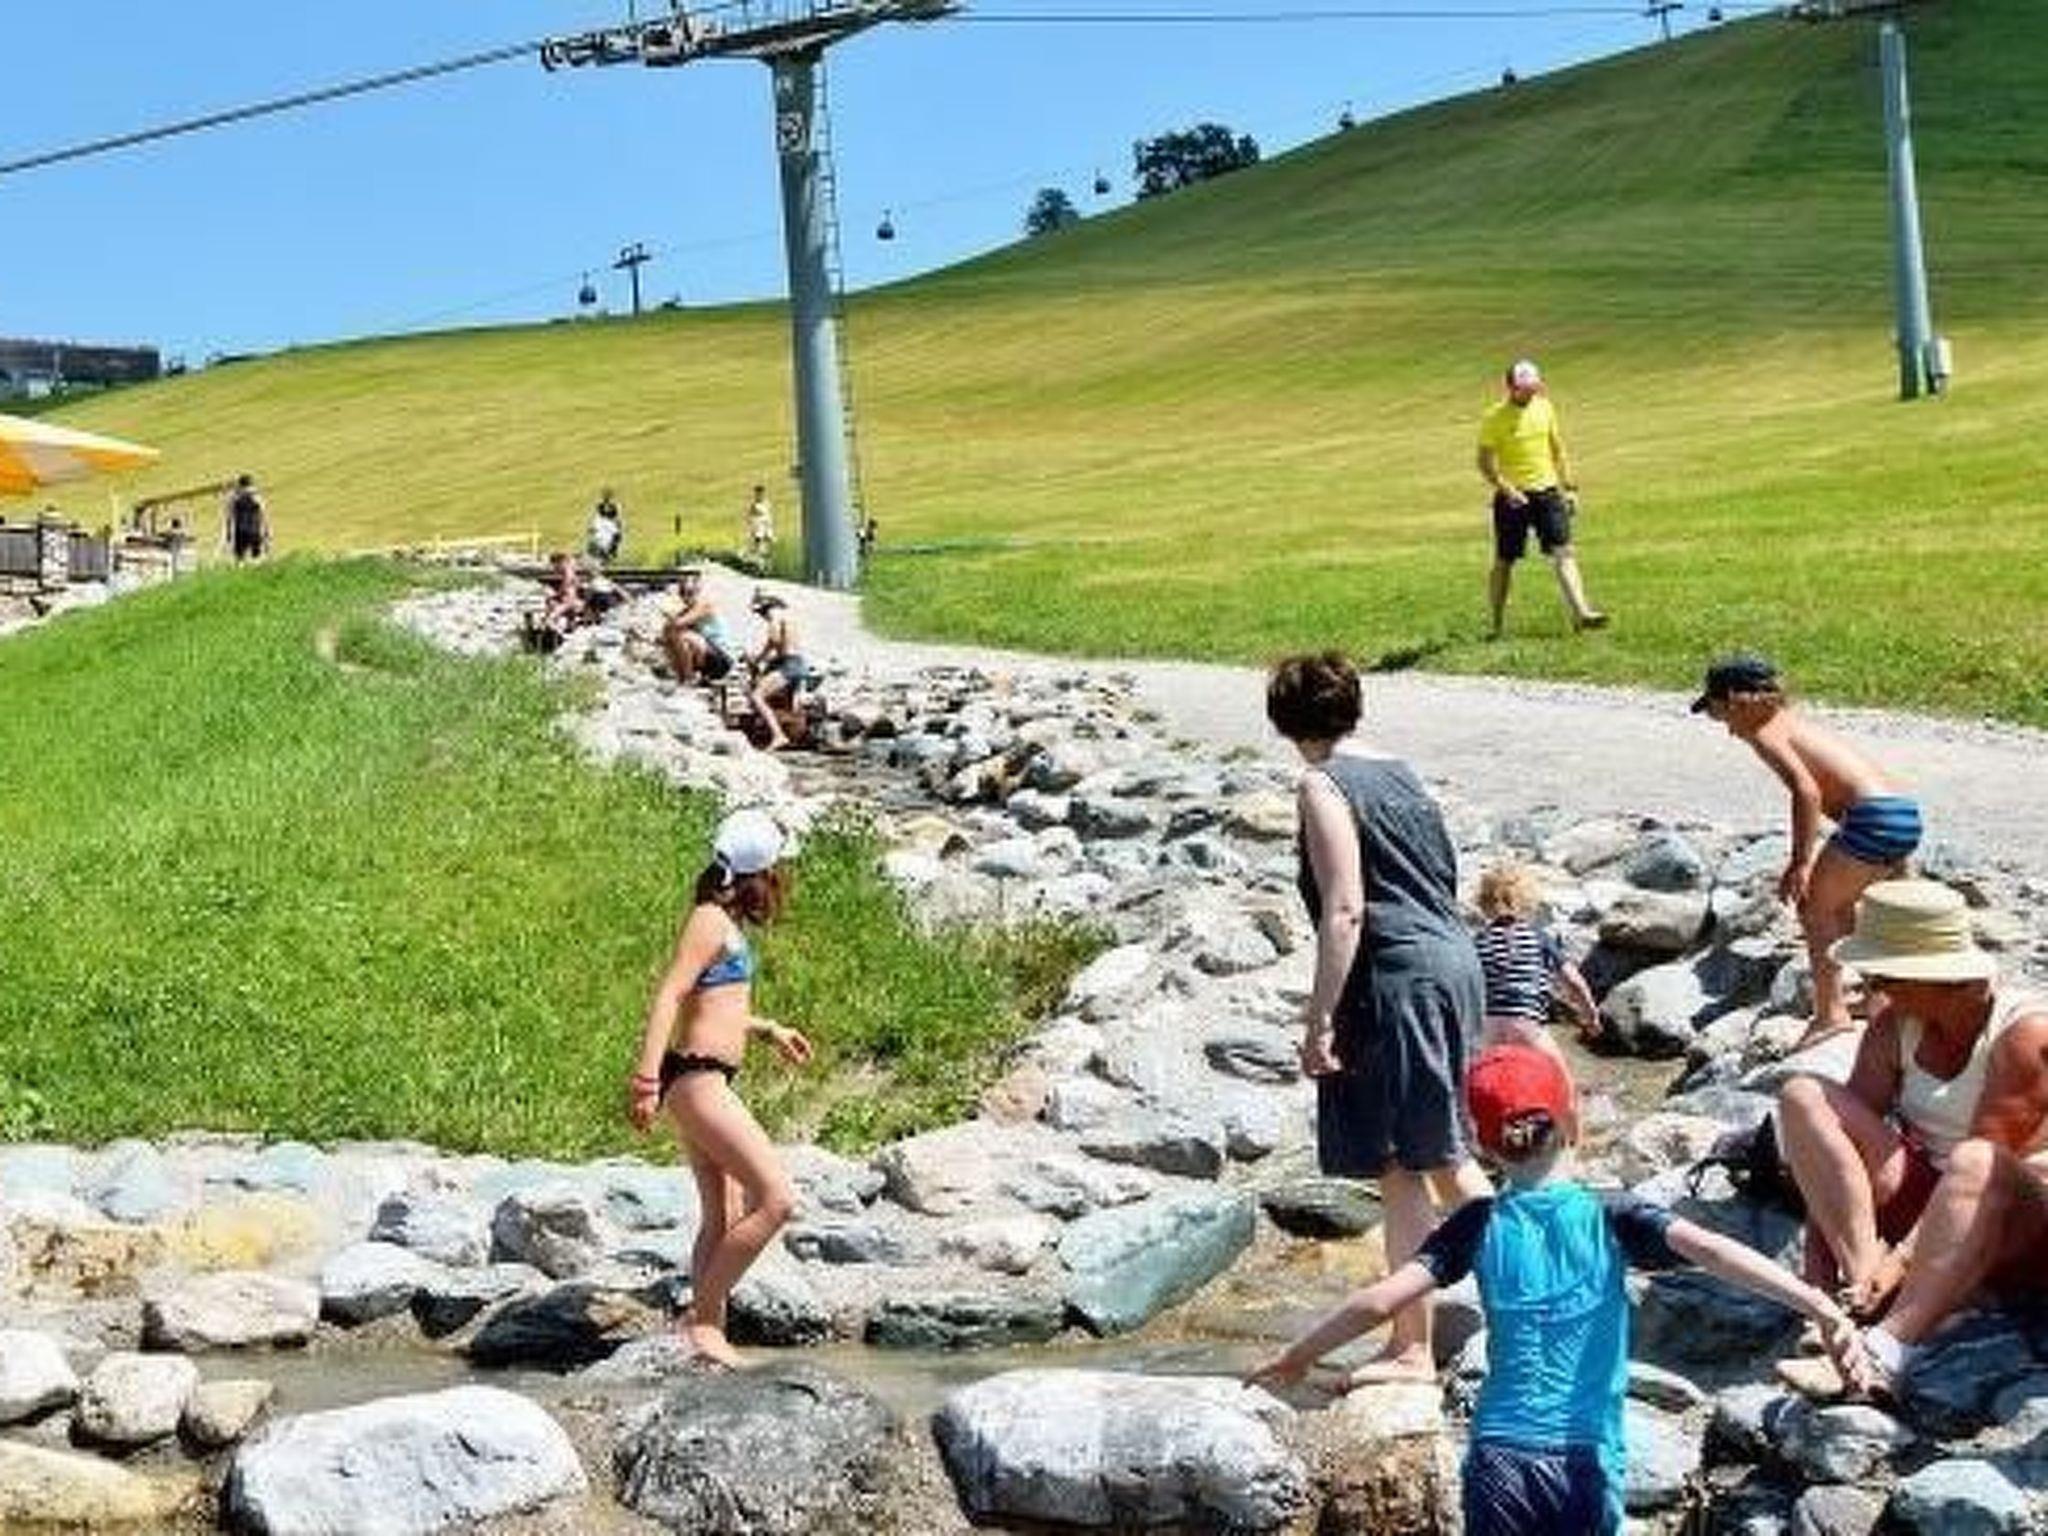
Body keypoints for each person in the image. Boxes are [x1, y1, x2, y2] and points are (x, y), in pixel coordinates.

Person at [1250, 1044, 1862, 1536]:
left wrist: (1297, 1355)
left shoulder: (1476, 1223)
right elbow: (1715, 1252)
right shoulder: (1612, 1214)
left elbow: (1379, 1300)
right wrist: (1817, 1303)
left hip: (1498, 1458)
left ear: (1482, 1146)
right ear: (1571, 1123)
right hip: (1583, 1458)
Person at [1266, 651, 1492, 1382]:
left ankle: (1413, 1347)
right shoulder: (1403, 774)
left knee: (1407, 1161)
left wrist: (1319, 1018)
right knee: (1441, 1148)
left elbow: (1345, 908)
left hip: (1396, 979)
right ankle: (1535, 1291)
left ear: (1285, 722)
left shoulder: (1322, 783)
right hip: (1453, 963)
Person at [1776, 879, 2048, 1398]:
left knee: (1975, 1160)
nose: (1870, 986)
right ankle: (1857, 1301)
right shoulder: (1894, 1025)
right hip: (1927, 1209)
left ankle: (1884, 1353)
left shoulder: (2025, 1034)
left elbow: (1992, 1161)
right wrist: (1819, 1281)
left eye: (1881, 975)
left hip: (2016, 1224)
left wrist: (1900, 1259)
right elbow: (1835, 1154)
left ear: (1935, 977)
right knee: (1804, 1096)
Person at [626, 809, 814, 1368]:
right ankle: (704, 1321)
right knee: (776, 1200)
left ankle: (708, 1334)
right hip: (698, 1080)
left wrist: (767, 1029)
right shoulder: (709, 920)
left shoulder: (723, 923)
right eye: (776, 870)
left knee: (725, 1211)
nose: (780, 879)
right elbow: (670, 996)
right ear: (758, 874)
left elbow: (718, 1007)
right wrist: (645, 1080)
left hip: (705, 1079)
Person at [1693, 653, 1922, 1046]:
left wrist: (1800, 860)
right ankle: (1878, 997)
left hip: (1872, 819)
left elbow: (1807, 791)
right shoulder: (1793, 723)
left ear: (1735, 700)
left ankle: (1831, 1015)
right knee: (1842, 908)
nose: (1728, 730)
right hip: (1902, 813)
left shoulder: (1765, 733)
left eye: (1719, 715)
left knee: (1814, 908)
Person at [1475, 359, 1607, 638]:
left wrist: (1569, 488)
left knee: (1564, 551)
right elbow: (1484, 463)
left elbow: (1558, 450)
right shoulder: (1494, 418)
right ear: (1510, 387)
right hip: (1512, 498)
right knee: (1505, 561)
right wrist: (1507, 489)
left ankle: (1582, 613)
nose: (1530, 392)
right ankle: (1496, 625)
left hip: (1547, 492)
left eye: (1533, 387)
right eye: (1524, 388)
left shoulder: (1545, 407)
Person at [1473, 862, 1600, 1060]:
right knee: (1560, 1076)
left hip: (1488, 1029)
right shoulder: (1538, 937)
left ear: (1483, 901)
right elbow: (1574, 981)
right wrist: (1591, 1015)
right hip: (1527, 1027)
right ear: (1528, 900)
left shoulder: (1479, 941)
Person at [746, 590, 811, 752]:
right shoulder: (789, 617)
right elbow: (785, 646)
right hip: (798, 662)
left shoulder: (775, 615)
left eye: (760, 613)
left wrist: (759, 658)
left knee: (757, 696)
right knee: (789, 705)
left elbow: (774, 639)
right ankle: (794, 735)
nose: (762, 617)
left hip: (789, 664)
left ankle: (778, 735)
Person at [660, 566, 739, 685]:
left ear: (697, 591)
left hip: (723, 658)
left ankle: (688, 678)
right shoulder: (687, 610)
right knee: (670, 638)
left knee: (678, 634)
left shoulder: (704, 604)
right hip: (708, 656)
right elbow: (667, 629)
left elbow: (677, 624)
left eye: (689, 593)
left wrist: (669, 618)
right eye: (683, 593)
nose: (686, 598)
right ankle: (682, 677)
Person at [222, 474, 269, 563]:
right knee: (256, 558)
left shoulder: (234, 498)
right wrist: (267, 533)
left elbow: (229, 518)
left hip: (240, 532)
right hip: (255, 531)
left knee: (239, 559)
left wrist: (228, 534)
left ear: (240, 485)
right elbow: (264, 516)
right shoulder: (257, 497)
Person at [587, 488, 624, 565]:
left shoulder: (600, 520)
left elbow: (592, 531)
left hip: (603, 543)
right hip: (603, 544)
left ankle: (604, 557)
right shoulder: (601, 520)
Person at [744, 485, 774, 569]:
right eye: (758, 494)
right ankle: (757, 562)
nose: (759, 495)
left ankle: (767, 563)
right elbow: (751, 518)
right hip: (758, 528)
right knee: (758, 544)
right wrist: (752, 529)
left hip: (766, 527)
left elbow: (769, 516)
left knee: (768, 545)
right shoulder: (754, 505)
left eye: (761, 493)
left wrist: (769, 527)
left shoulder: (767, 504)